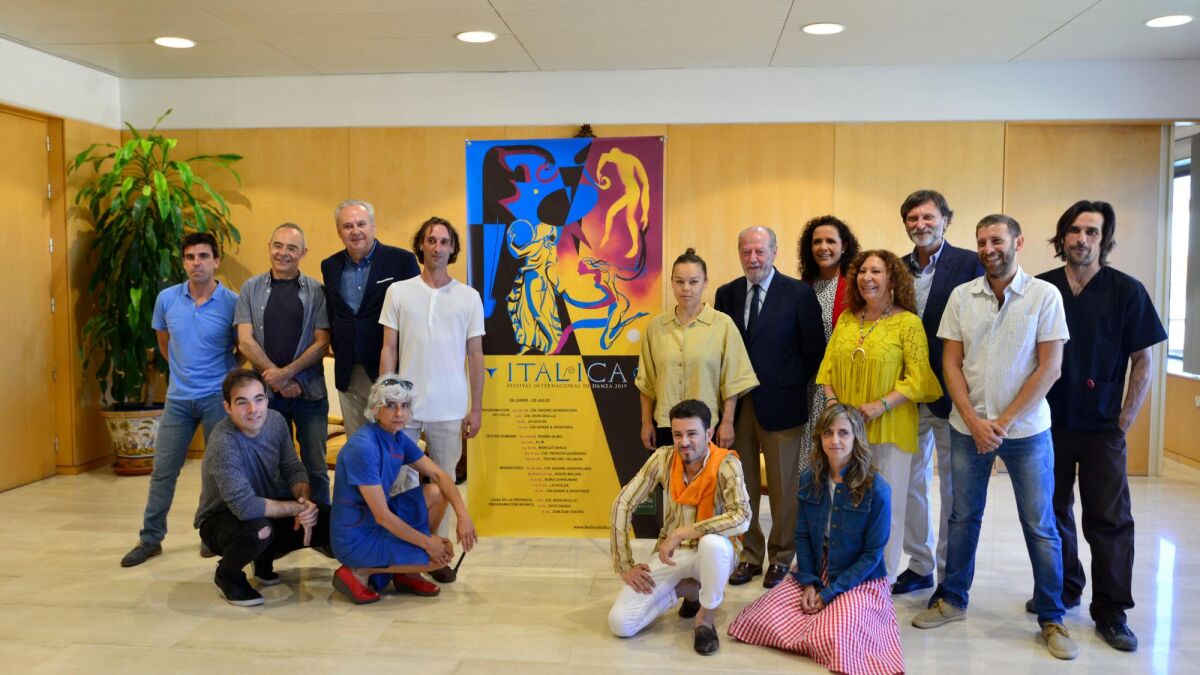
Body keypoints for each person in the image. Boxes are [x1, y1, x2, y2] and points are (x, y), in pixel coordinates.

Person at [913, 214, 1077, 661]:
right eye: (982, 241)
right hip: (968, 429)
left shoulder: (1044, 295)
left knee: (1040, 525)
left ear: (1018, 242)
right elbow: (950, 363)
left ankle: (1052, 616)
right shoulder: (962, 296)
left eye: (997, 240)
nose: (988, 249)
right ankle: (952, 599)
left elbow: (1050, 368)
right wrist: (974, 419)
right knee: (962, 518)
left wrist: (1001, 422)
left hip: (1027, 431)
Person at [1035, 201, 1166, 652]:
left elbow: (1143, 360)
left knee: (1109, 520)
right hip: (1047, 423)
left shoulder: (1127, 290)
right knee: (1051, 514)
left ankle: (1111, 612)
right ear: (1062, 237)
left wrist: (1126, 418)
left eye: (1091, 231)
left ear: (1104, 239)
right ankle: (1064, 588)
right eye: (1074, 230)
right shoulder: (1042, 288)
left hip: (1103, 425)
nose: (1082, 239)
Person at [728, 405, 904, 675]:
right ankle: (816, 625)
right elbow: (802, 535)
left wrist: (830, 593)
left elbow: (872, 555)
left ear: (856, 438)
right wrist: (810, 582)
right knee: (758, 617)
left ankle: (826, 624)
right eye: (828, 433)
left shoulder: (877, 488)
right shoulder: (809, 479)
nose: (835, 440)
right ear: (819, 437)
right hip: (818, 567)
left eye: (843, 433)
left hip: (859, 576)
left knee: (837, 633)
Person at [815, 249, 942, 585]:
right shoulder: (847, 319)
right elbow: (827, 368)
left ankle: (878, 584)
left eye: (876, 272)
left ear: (892, 279)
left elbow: (919, 379)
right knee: (847, 505)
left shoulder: (907, 323)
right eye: (862, 271)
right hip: (846, 433)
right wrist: (833, 404)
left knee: (885, 509)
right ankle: (849, 579)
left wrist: (880, 405)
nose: (867, 278)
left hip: (889, 427)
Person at [714, 226, 826, 589]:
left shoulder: (798, 294)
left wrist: (788, 383)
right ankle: (749, 555)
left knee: (783, 489)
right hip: (736, 408)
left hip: (782, 406)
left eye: (760, 251)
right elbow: (722, 351)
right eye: (746, 251)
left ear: (774, 252)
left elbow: (814, 353)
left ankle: (780, 557)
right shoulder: (726, 294)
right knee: (741, 486)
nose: (753, 259)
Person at [121, 231, 238, 567]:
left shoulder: (232, 302)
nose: (196, 263)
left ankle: (210, 535)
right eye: (190, 257)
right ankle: (150, 538)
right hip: (178, 399)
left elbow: (241, 348)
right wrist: (183, 373)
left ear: (216, 261)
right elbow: (165, 343)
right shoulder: (167, 298)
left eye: (203, 256)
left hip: (217, 397)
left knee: (215, 471)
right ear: (183, 262)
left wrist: (224, 377)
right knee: (163, 470)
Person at [378, 216, 485, 584]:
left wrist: (475, 408)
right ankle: (404, 553)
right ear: (420, 246)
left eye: (444, 242)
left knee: (444, 486)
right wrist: (385, 399)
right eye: (431, 240)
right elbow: (389, 349)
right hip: (403, 410)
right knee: (401, 484)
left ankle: (436, 554)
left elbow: (476, 355)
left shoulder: (468, 297)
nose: (437, 247)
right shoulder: (399, 292)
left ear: (452, 249)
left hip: (450, 409)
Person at [608, 399, 752, 655]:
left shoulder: (726, 463)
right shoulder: (663, 458)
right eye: (678, 435)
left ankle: (705, 619)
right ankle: (687, 589)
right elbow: (623, 503)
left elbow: (742, 516)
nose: (684, 442)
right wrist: (624, 565)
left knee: (712, 544)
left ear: (709, 433)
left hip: (714, 554)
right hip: (672, 554)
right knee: (621, 624)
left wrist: (682, 532)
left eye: (692, 434)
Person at [895, 189, 985, 595]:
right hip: (907, 394)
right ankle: (919, 564)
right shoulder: (897, 268)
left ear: (946, 220)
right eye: (913, 219)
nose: (921, 225)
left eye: (928, 217)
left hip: (954, 394)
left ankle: (951, 576)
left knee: (953, 489)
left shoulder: (970, 264)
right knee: (909, 484)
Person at [329, 376, 477, 605]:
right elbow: (382, 516)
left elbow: (440, 476)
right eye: (390, 405)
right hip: (356, 537)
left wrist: (463, 516)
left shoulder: (396, 437)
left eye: (405, 406)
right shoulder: (363, 446)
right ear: (375, 409)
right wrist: (427, 543)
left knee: (437, 493)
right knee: (438, 558)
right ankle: (359, 570)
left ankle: (406, 572)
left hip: (378, 522)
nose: (399, 413)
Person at [193, 369, 332, 607]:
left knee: (332, 519)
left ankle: (263, 561)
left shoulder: (275, 421)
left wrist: (305, 503)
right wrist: (295, 509)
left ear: (267, 400)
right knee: (258, 530)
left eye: (258, 399)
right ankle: (227, 575)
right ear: (228, 407)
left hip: (264, 508)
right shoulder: (223, 442)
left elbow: (292, 468)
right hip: (221, 519)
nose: (253, 409)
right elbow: (246, 507)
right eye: (242, 402)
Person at [234, 223, 332, 504]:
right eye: (278, 245)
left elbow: (322, 342)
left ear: (303, 252)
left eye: (292, 248)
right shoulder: (250, 288)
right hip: (265, 396)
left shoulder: (317, 291)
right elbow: (245, 342)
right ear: (269, 247)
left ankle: (320, 521)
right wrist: (278, 380)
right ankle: (280, 521)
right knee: (271, 465)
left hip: (310, 393)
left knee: (315, 466)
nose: (283, 253)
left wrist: (286, 375)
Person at [636, 248, 758, 452]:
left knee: (708, 474)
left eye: (693, 282)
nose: (686, 288)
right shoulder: (656, 327)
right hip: (666, 428)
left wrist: (727, 422)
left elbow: (733, 381)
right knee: (669, 474)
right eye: (679, 281)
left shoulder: (723, 325)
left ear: (705, 282)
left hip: (708, 428)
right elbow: (646, 382)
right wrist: (646, 422)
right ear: (672, 282)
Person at [321, 199, 420, 437]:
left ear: (373, 226)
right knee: (358, 442)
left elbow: (415, 314)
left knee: (393, 440)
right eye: (347, 226)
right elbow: (335, 312)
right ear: (339, 232)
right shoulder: (330, 266)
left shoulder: (402, 261)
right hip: (349, 370)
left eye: (361, 224)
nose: (355, 231)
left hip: (391, 369)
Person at [796, 215, 861, 478]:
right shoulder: (802, 286)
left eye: (830, 241)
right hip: (810, 384)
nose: (823, 247)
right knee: (810, 452)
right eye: (817, 242)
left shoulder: (856, 286)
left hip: (842, 383)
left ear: (844, 246)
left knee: (841, 452)